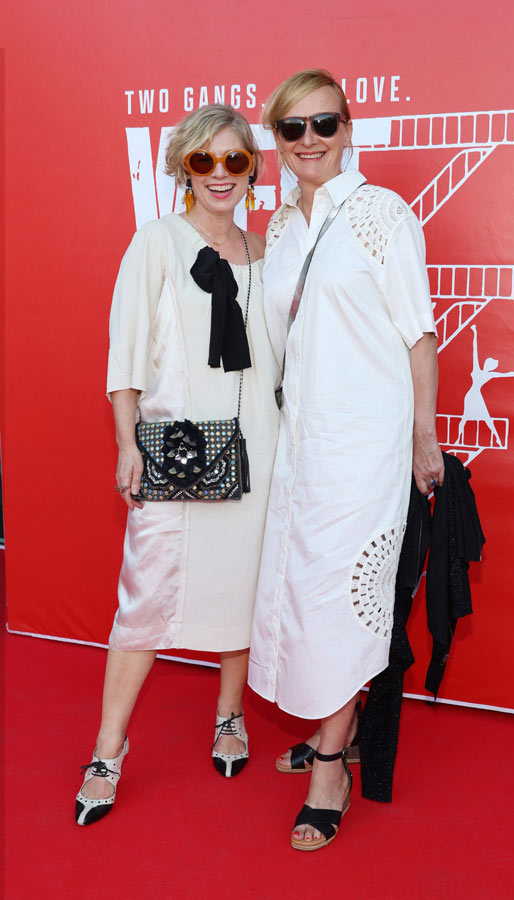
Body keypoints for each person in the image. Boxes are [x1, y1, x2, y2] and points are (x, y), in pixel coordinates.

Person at [248, 69, 444, 851]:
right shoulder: (282, 228)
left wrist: (424, 434)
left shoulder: (381, 215)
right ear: (277, 140)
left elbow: (417, 333)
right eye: (292, 130)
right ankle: (345, 721)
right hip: (302, 447)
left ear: (347, 128)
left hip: (365, 444)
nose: (308, 142)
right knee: (304, 595)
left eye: (323, 124)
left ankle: (331, 765)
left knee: (340, 600)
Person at [75, 104, 280, 826]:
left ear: (253, 166)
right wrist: (128, 443)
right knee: (143, 603)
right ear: (182, 168)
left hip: (262, 447)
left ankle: (229, 715)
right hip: (182, 448)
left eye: (234, 160)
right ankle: (107, 750)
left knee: (244, 587)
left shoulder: (269, 252)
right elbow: (124, 355)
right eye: (204, 161)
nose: (220, 175)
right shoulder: (157, 242)